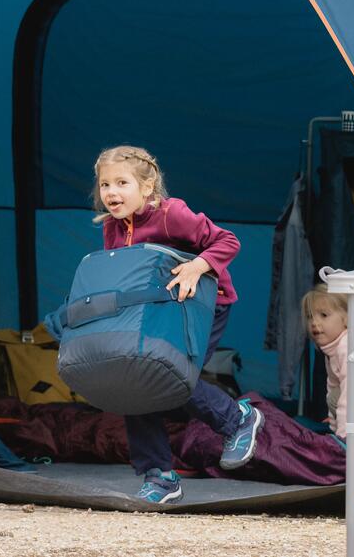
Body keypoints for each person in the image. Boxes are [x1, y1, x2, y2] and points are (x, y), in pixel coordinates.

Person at [93, 144, 263, 506]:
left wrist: (197, 266)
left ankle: (238, 419)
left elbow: (227, 241)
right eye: (105, 184)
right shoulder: (111, 227)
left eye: (121, 182)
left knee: (173, 376)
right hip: (156, 312)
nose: (111, 192)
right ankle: (159, 476)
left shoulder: (172, 214)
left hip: (204, 308)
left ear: (147, 186)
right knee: (134, 381)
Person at [303, 284, 354, 437]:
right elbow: (333, 390)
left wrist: (343, 436)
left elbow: (352, 397)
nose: (314, 322)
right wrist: (333, 425)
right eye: (310, 316)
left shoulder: (349, 347)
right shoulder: (333, 349)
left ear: (346, 318)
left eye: (323, 315)